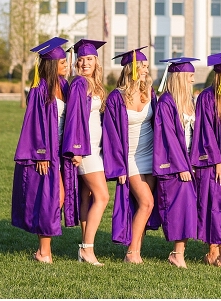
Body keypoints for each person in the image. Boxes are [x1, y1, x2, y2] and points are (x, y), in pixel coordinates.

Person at [11, 37, 71, 264]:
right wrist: (41, 154)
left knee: (59, 198)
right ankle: (43, 251)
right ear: (52, 65)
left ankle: (44, 250)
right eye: (63, 62)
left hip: (60, 153)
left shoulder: (64, 87)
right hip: (45, 154)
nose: (67, 65)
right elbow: (33, 124)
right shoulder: (39, 90)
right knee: (52, 199)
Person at [102, 47, 160, 264]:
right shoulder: (116, 98)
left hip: (150, 156)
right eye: (142, 66)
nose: (146, 69)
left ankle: (137, 250)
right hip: (129, 158)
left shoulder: (150, 93)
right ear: (131, 69)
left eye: (146, 66)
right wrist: (119, 166)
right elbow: (111, 134)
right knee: (147, 202)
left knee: (142, 206)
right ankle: (131, 253)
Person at [191, 50, 221, 269]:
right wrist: (217, 161)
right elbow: (205, 131)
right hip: (214, 161)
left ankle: (213, 253)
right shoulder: (207, 97)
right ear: (220, 77)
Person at [62, 39, 108, 266]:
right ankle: (87, 248)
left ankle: (84, 247)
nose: (84, 62)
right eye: (81, 59)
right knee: (102, 196)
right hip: (85, 150)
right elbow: (74, 118)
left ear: (96, 62)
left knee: (87, 197)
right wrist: (76, 149)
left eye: (89, 59)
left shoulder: (93, 84)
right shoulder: (79, 84)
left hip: (95, 148)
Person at [153, 56, 200, 268]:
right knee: (179, 210)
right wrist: (181, 166)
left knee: (189, 209)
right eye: (190, 76)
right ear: (180, 77)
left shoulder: (189, 101)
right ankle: (176, 253)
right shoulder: (166, 102)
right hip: (174, 166)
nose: (192, 80)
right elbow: (169, 137)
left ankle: (178, 253)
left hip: (189, 164)